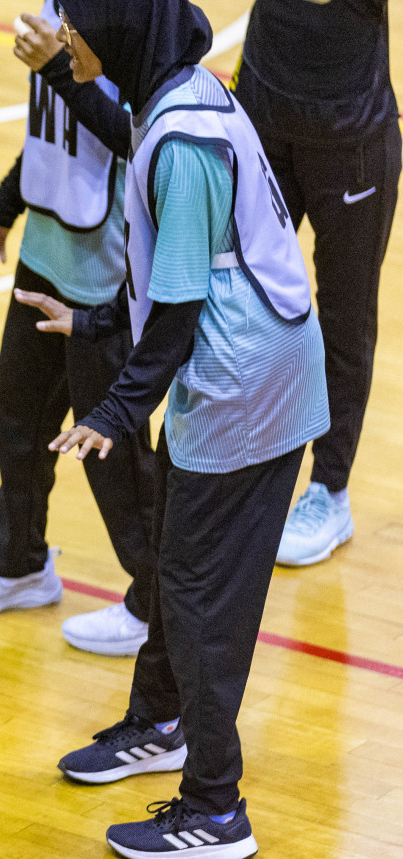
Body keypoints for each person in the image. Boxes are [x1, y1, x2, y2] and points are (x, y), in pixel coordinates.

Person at [18, 0, 328, 859]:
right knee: (175, 563)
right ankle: (160, 722)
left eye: (72, 26)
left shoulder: (184, 143)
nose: (65, 37)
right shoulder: (178, 96)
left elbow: (182, 309)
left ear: (117, 30)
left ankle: (215, 808)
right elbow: (167, 257)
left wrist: (114, 409)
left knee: (197, 594)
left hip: (248, 387)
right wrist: (90, 327)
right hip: (247, 367)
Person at [0, 1, 159, 658]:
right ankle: (19, 565)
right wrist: (3, 207)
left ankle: (155, 603)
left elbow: (133, 136)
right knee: (19, 418)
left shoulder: (138, 19)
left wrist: (57, 67)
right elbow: (49, 130)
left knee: (109, 450)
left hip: (105, 274)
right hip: (44, 253)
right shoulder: (54, 9)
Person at [233, 0, 400, 566]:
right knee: (242, 296)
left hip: (350, 131)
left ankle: (329, 490)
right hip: (262, 100)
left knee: (345, 318)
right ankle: (240, 480)